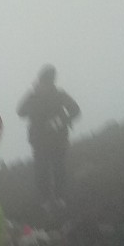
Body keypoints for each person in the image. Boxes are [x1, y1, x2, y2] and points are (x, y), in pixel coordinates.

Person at [16, 65, 81, 208]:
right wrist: (63, 120)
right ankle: (53, 199)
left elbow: (76, 111)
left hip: (47, 140)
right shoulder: (56, 95)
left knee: (52, 170)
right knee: (50, 170)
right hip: (47, 140)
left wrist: (60, 121)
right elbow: (20, 112)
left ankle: (52, 199)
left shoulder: (52, 95)